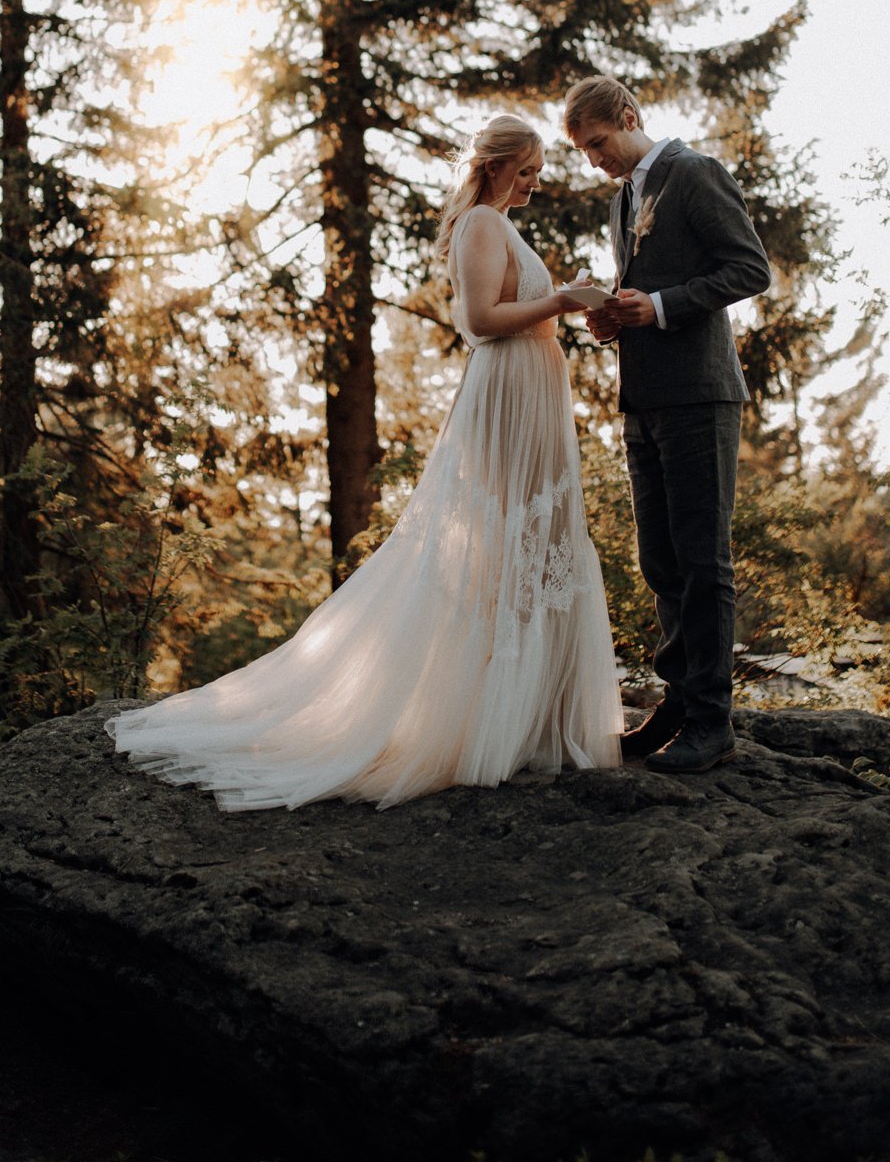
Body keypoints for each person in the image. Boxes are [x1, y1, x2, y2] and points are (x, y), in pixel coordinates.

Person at [106, 112, 623, 811]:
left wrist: (558, 305)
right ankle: (489, 724)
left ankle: (533, 719)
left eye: (536, 172)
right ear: (495, 166)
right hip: (505, 395)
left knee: (541, 543)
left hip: (532, 393)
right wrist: (559, 300)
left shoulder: (501, 225)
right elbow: (478, 321)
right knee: (508, 544)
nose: (533, 185)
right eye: (525, 171)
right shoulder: (480, 224)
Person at [563, 76, 771, 774]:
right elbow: (644, 289)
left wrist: (654, 307)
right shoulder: (624, 198)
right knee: (659, 559)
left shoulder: (694, 173)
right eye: (584, 152)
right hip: (642, 397)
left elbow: (747, 269)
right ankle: (677, 704)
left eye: (598, 143)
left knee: (700, 558)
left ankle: (713, 722)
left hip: (699, 394)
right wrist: (613, 314)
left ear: (628, 117)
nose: (595, 161)